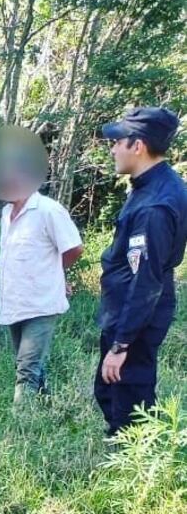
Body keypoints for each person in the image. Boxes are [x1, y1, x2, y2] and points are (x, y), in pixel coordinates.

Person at [97, 107, 186, 436]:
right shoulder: (152, 186)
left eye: (117, 141)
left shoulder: (155, 206)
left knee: (128, 402)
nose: (113, 148)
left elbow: (146, 280)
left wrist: (121, 345)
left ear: (139, 146)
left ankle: (135, 474)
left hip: (135, 315)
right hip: (128, 310)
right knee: (111, 391)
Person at [0, 155, 83, 403]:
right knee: (31, 366)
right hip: (14, 304)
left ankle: (21, 428)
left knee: (26, 370)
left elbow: (74, 248)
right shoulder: (6, 214)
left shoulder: (48, 210)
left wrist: (56, 275)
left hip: (41, 303)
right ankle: (50, 409)